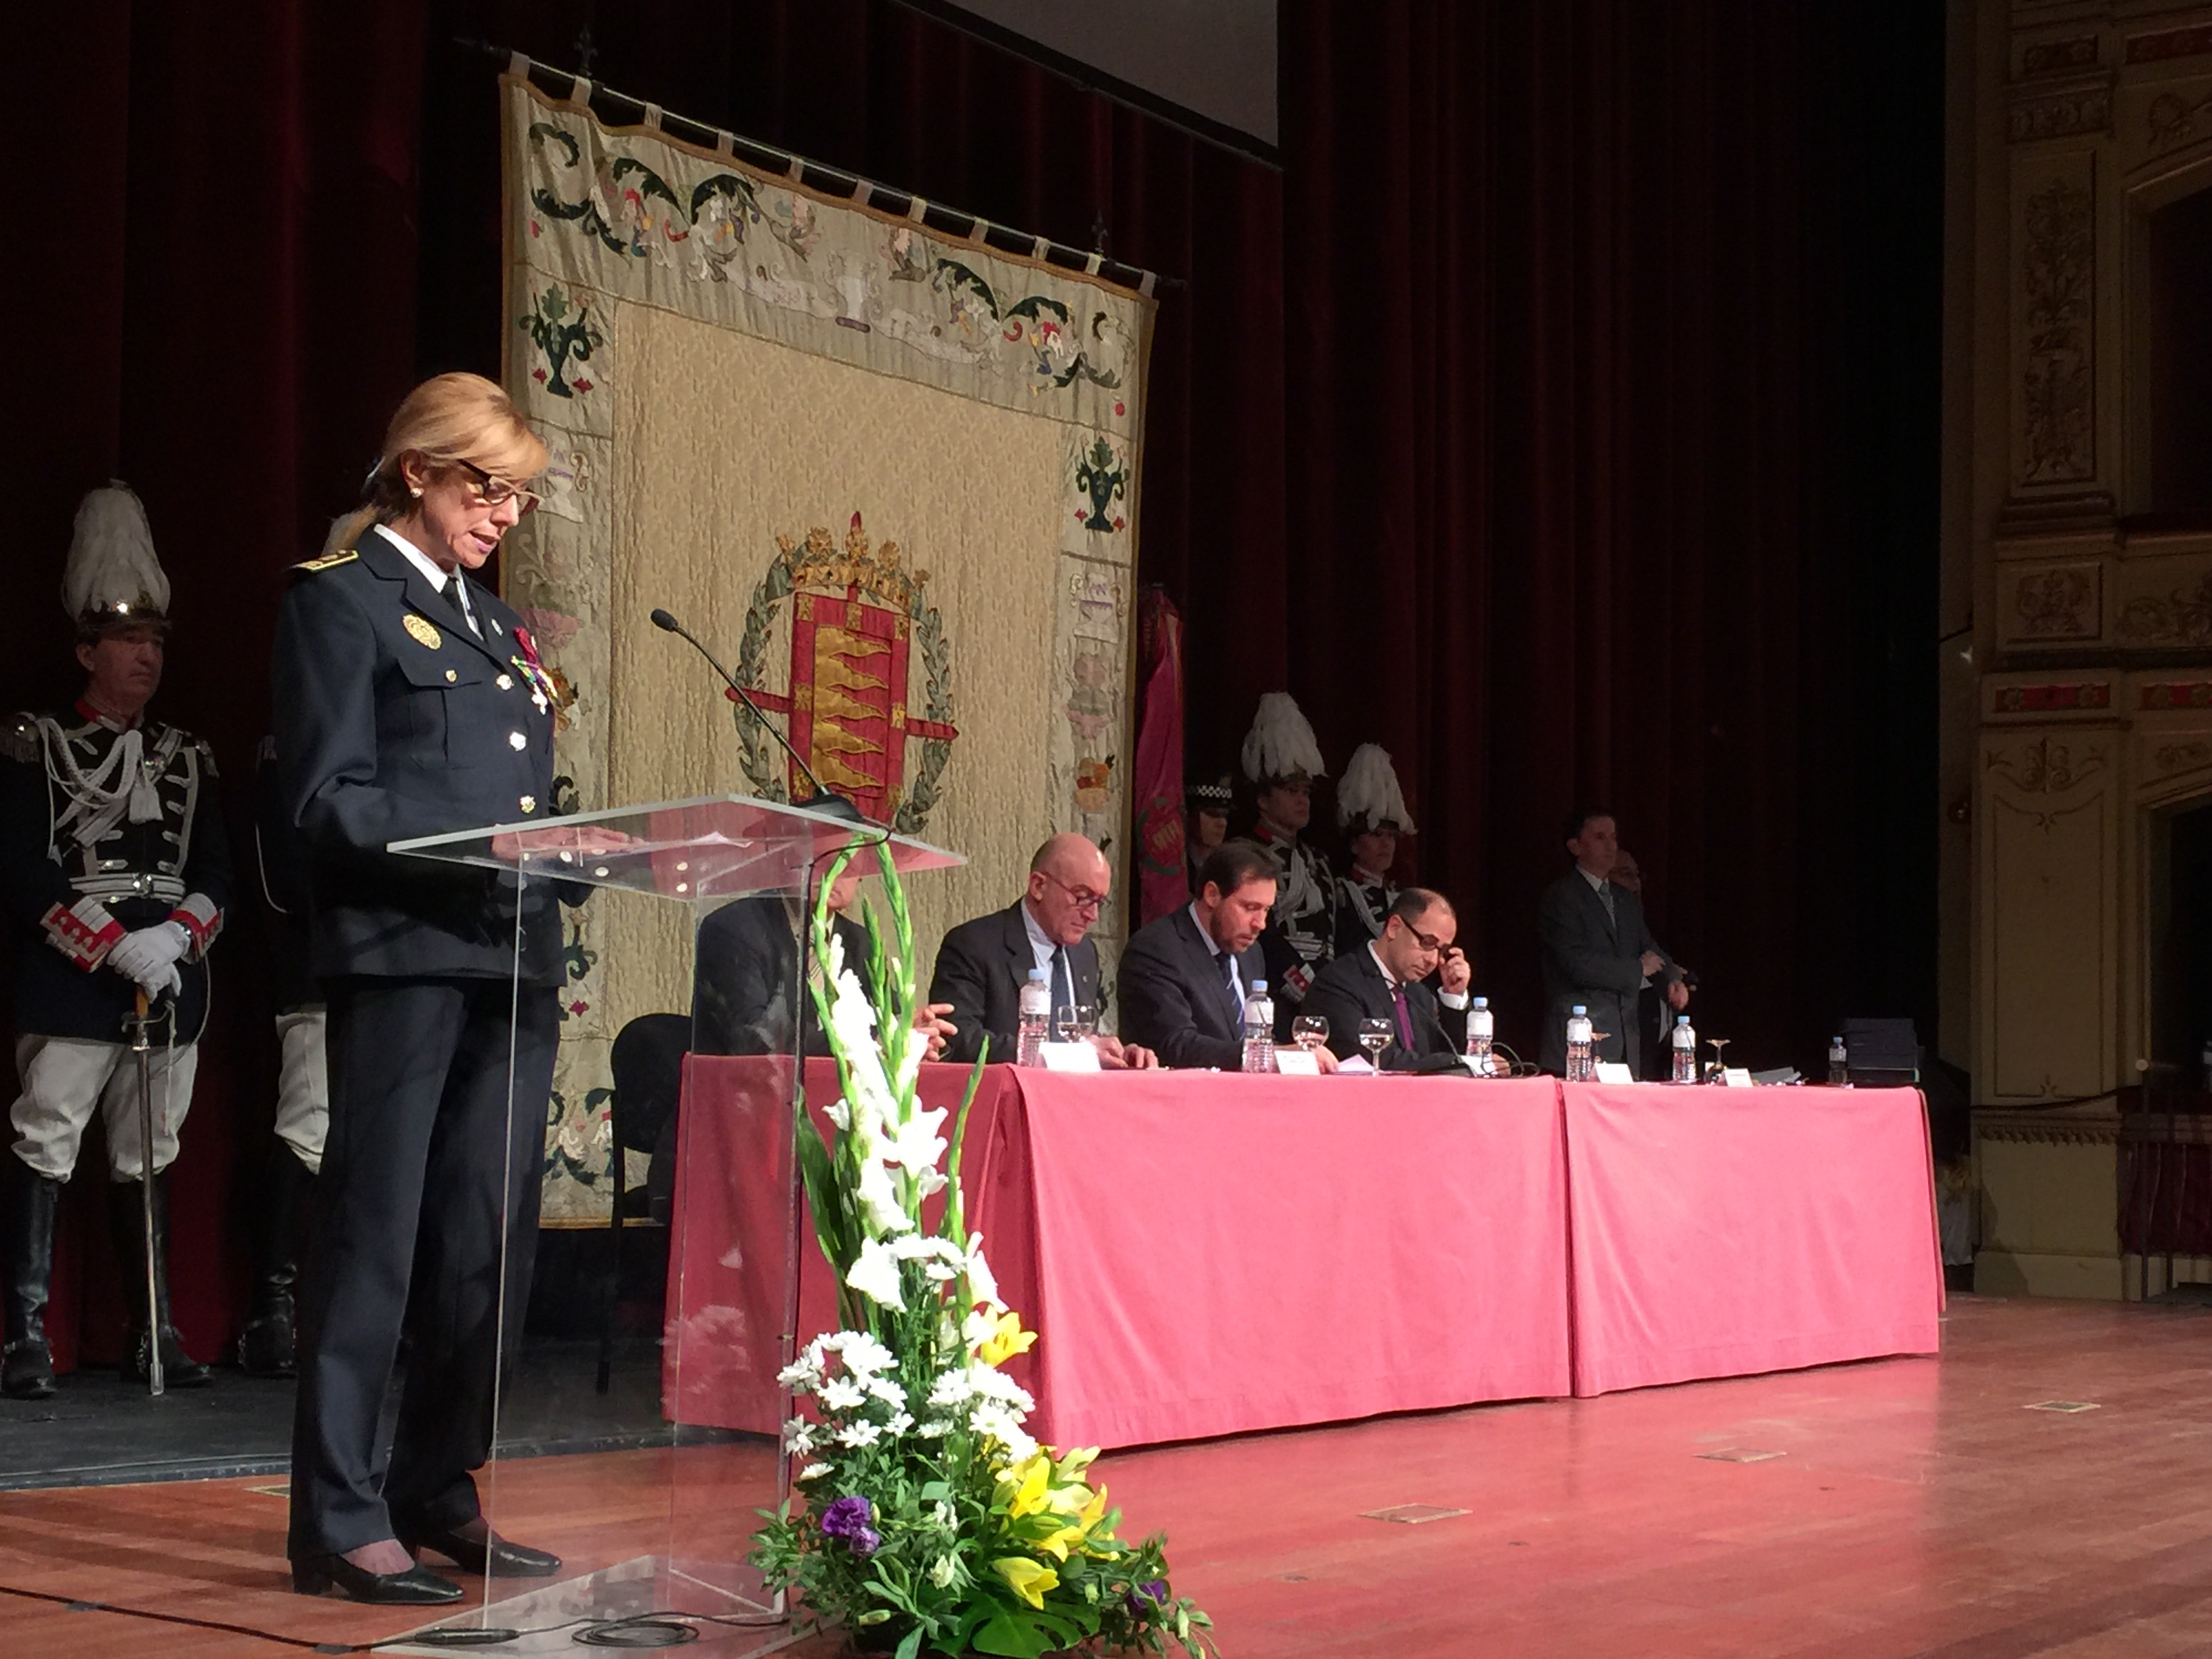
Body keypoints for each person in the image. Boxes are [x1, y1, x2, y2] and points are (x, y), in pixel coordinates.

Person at [274, 373, 571, 1604]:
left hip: (512, 959)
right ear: (418, 472)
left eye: (518, 497)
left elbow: (518, 794)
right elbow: (324, 798)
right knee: (378, 1239)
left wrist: (570, 847)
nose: (504, 514)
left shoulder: (496, 629)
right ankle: (338, 1516)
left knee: (483, 1246)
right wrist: (474, 846)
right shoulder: (341, 600)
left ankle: (435, 1483)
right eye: (486, 488)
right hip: (404, 954)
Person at [0, 484, 231, 1401]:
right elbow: (22, 869)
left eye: (155, 643)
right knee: (46, 1142)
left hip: (168, 980)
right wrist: (106, 945)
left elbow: (216, 873)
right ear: (86, 651)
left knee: (151, 1152)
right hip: (73, 980)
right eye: (129, 641)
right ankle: (24, 1334)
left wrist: (174, 938)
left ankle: (153, 1330)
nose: (147, 657)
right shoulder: (36, 743)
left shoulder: (190, 755)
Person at [237, 734, 324, 1378]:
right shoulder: (294, 750)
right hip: (323, 965)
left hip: (408, 976)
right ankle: (271, 1313)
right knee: (307, 1130)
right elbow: (282, 882)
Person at [929, 832, 1156, 1069]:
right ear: (1038, 886)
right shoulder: (973, 945)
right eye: (1082, 897)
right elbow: (959, 1040)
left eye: (1099, 902)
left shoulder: (1084, 953)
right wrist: (1065, 1055)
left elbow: (1083, 1041)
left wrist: (1118, 1056)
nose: (1093, 916)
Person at [1120, 840, 1336, 1071]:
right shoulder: (1157, 948)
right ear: (1212, 895)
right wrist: (1269, 1056)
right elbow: (1175, 1044)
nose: (1261, 924)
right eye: (1250, 908)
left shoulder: (1251, 952)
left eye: (1266, 910)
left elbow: (1254, 1034)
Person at [1536, 809, 1687, 1076]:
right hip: (1579, 1040)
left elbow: (1648, 946)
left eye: (1613, 838)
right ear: (1575, 846)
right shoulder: (1562, 897)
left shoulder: (1625, 899)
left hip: (1625, 1041)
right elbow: (1576, 963)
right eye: (1599, 837)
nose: (1610, 846)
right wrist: (1638, 970)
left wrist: (1672, 978)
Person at [1240, 693, 1336, 1034]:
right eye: (1291, 791)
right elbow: (1258, 931)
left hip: (1323, 989)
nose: (1301, 800)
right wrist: (1299, 979)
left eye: (1305, 793)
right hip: (1274, 989)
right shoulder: (1247, 853)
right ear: (1264, 799)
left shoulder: (1317, 860)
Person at [1304, 888, 1471, 1070]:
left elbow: (1448, 1061)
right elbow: (1375, 1058)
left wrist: (1453, 995)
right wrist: (1458, 1061)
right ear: (1394, 928)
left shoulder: (1420, 995)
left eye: (1442, 950)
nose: (1432, 960)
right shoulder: (1339, 982)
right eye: (1427, 943)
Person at [1332, 743, 1415, 954]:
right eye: (1376, 835)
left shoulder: (1399, 897)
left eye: (1391, 836)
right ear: (1354, 844)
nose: (1386, 844)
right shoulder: (1338, 894)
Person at [1610, 849, 1670, 1081]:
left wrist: (1673, 976)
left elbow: (1657, 955)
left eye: (1638, 875)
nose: (1636, 883)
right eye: (1626, 874)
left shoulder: (1642, 923)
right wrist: (1639, 970)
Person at [1184, 774, 1231, 897]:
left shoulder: (1230, 865)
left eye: (1225, 816)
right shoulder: (1177, 864)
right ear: (1189, 816)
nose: (1222, 823)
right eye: (1212, 814)